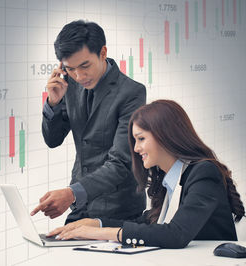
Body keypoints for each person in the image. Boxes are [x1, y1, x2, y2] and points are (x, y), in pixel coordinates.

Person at [47, 99, 245, 248]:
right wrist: (96, 223)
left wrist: (100, 233)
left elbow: (176, 234)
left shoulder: (202, 173)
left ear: (165, 135)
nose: (136, 149)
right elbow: (147, 222)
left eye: (141, 139)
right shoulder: (171, 179)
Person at [30, 20, 146, 224]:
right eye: (71, 69)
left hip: (119, 210)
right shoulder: (71, 85)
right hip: (81, 207)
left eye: (85, 66)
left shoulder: (131, 93)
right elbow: (53, 139)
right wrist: (53, 103)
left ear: (102, 53)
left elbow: (120, 163)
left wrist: (70, 194)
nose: (79, 76)